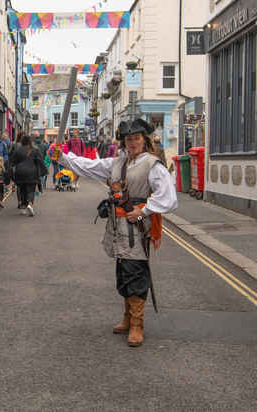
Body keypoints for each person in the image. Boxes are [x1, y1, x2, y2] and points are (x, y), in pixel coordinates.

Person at [51, 118, 177, 347]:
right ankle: (128, 318)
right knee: (123, 272)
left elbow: (168, 197)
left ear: (144, 140)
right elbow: (87, 166)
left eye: (136, 138)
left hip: (137, 230)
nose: (132, 143)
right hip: (118, 229)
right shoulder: (117, 163)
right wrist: (62, 157)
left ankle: (138, 324)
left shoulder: (153, 165)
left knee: (135, 274)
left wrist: (143, 211)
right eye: (128, 139)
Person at [9, 134, 47, 217]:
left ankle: (23, 207)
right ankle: (29, 204)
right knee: (31, 190)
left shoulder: (18, 150)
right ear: (30, 141)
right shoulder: (35, 150)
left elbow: (12, 162)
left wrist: (10, 174)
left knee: (22, 189)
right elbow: (40, 161)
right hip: (32, 172)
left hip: (20, 172)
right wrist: (44, 171)